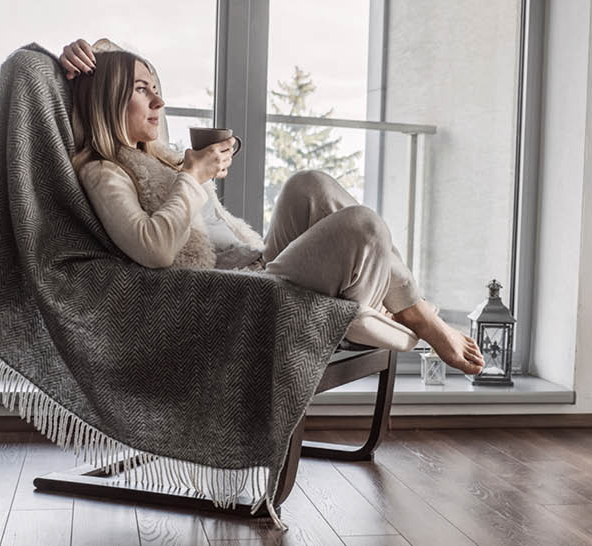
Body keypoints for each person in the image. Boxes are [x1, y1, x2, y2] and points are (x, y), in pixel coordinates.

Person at [60, 38, 485, 374]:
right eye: (141, 91)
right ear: (107, 99)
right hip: (232, 302)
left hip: (256, 269)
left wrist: (188, 170)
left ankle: (386, 311)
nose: (159, 102)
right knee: (363, 227)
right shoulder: (104, 171)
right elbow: (153, 249)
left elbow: (116, 69)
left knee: (310, 184)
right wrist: (193, 177)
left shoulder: (159, 156)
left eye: (157, 89)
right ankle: (388, 317)